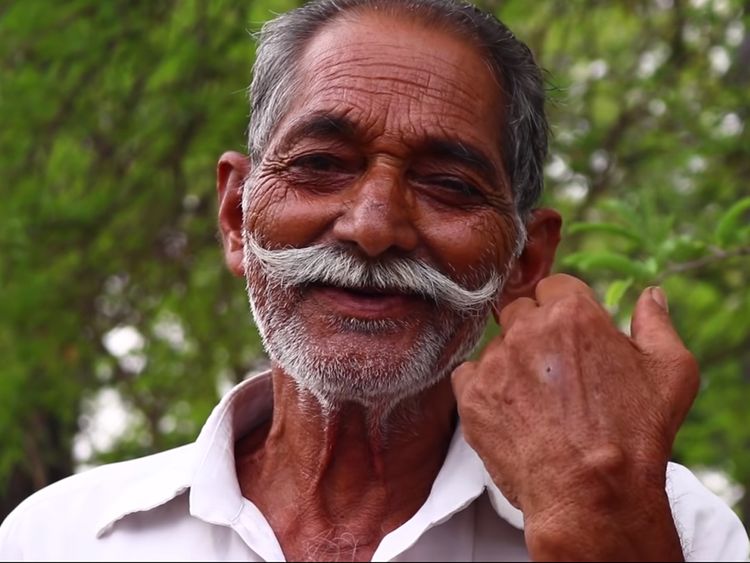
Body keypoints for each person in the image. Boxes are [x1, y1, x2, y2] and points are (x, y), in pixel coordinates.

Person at [1, 0, 748, 560]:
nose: (372, 226)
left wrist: (610, 534)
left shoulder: (672, 527)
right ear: (236, 214)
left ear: (524, 261)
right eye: (321, 164)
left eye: (450, 184)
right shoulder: (60, 536)